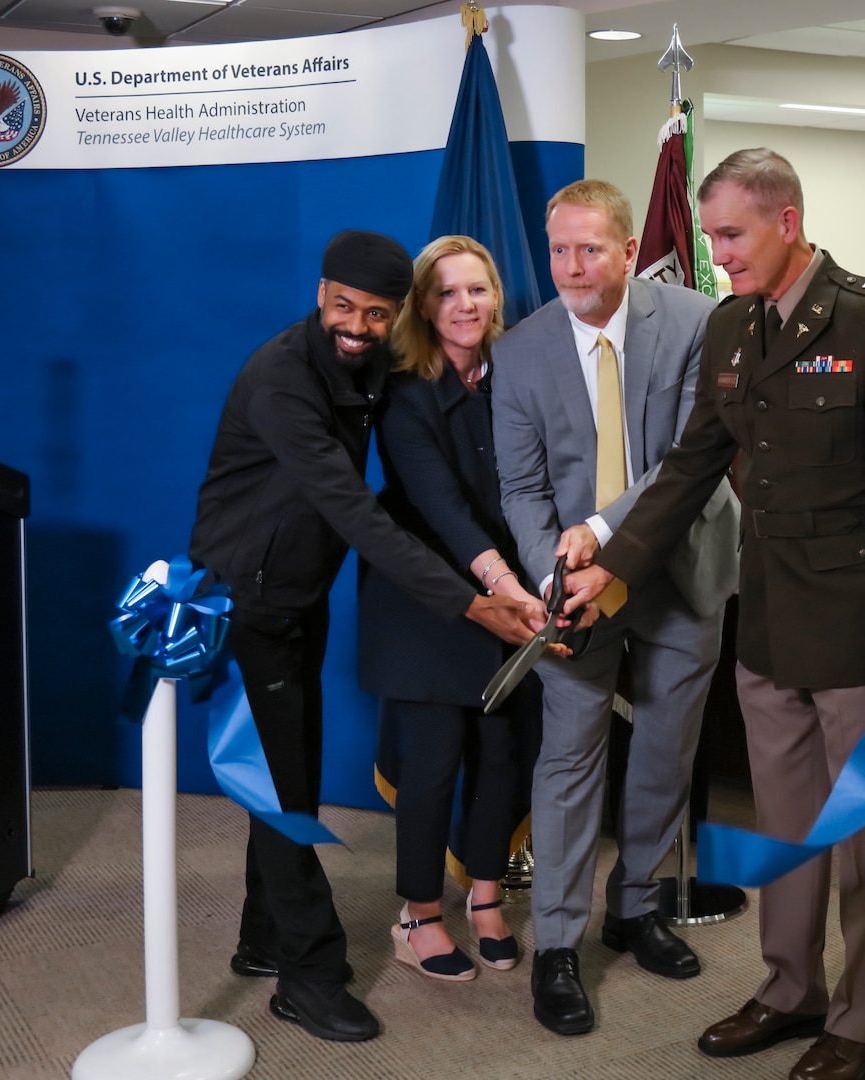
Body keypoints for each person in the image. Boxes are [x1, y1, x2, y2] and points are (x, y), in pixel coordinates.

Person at [562, 148, 865, 1080]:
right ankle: (792, 991)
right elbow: (691, 465)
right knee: (786, 831)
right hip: (772, 621)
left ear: (787, 222)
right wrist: (613, 564)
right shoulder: (734, 329)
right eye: (709, 235)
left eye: (733, 235)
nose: (719, 255)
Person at [188, 229, 541, 1043]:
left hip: (297, 594)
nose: (358, 325)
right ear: (321, 296)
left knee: (287, 778)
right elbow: (356, 513)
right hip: (245, 598)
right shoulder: (281, 379)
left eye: (376, 314)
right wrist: (472, 602)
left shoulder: (370, 362)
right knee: (282, 789)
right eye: (345, 307)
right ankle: (308, 978)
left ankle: (261, 939)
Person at [491, 179, 740, 1036]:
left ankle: (636, 908)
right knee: (569, 757)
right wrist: (551, 577)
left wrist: (600, 536)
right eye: (558, 249)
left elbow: (688, 464)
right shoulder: (520, 352)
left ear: (630, 250)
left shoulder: (694, 322)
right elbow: (521, 488)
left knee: (667, 747)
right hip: (575, 593)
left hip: (680, 566)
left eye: (589, 248)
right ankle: (558, 942)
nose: (571, 266)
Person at [358, 235, 548, 983]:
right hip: (429, 599)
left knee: (503, 751)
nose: (463, 305)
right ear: (422, 306)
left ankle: (486, 897)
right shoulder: (404, 392)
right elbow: (440, 506)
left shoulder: (518, 379)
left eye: (476, 290)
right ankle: (419, 915)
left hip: (512, 590)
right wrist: (506, 586)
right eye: (445, 293)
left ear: (496, 296)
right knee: (433, 758)